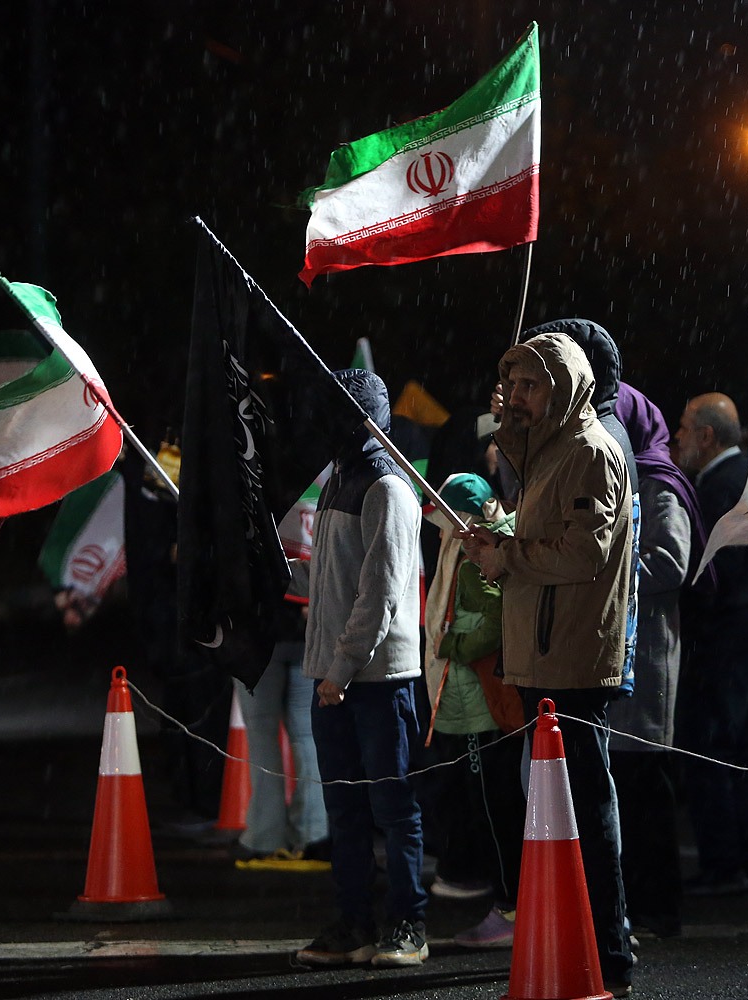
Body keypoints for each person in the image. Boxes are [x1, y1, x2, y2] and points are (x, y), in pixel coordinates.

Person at [464, 330, 636, 997]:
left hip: (572, 658)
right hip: (544, 654)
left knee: (586, 810)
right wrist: (500, 542)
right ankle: (578, 944)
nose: (517, 397)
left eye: (530, 385)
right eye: (513, 384)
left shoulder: (589, 451)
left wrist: (505, 556)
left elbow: (583, 553)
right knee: (562, 813)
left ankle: (609, 954)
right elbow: (549, 536)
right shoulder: (554, 448)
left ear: (562, 388)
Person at [294, 369, 429, 969]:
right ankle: (354, 924)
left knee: (393, 807)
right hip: (335, 676)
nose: (329, 425)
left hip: (376, 681)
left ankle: (408, 923)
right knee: (346, 808)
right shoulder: (339, 481)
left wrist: (340, 669)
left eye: (341, 413)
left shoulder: (388, 488)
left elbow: (381, 594)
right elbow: (330, 578)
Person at [606, 381, 711, 939]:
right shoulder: (622, 477)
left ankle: (657, 910)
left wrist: (605, 570)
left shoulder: (659, 483)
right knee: (624, 789)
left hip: (645, 659)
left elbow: (670, 562)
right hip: (617, 658)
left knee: (645, 789)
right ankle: (631, 905)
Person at [673, 391, 748, 896]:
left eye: (683, 427)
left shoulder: (718, 486)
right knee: (743, 747)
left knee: (710, 747)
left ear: (706, 436)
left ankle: (724, 864)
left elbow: (713, 571)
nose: (677, 438)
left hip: (723, 634)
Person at [420, 473, 527, 947]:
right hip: (480, 701)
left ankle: (510, 904)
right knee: (492, 803)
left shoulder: (473, 560)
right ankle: (502, 895)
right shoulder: (488, 549)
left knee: (494, 807)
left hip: (478, 703)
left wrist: (450, 645)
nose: (446, 532)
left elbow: (495, 622)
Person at [229, 560, 329, 870]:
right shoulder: (311, 525)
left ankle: (264, 836)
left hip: (254, 636)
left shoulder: (250, 526)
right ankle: (313, 833)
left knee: (262, 737)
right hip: (307, 632)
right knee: (307, 736)